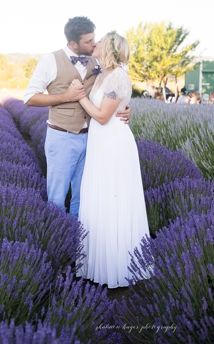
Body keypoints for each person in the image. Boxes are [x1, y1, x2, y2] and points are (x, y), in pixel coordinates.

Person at [22, 17, 130, 218]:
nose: (94, 44)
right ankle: (57, 235)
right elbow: (29, 98)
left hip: (93, 139)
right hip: (62, 137)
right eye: (89, 41)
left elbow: (112, 88)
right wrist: (66, 96)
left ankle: (78, 235)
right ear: (73, 43)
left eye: (94, 39)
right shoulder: (50, 60)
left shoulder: (97, 61)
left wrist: (123, 109)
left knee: (84, 196)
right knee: (57, 196)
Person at [74, 32, 149, 289]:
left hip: (113, 145)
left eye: (100, 41)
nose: (95, 44)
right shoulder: (102, 74)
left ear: (107, 48)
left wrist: (80, 96)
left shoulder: (117, 76)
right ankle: (98, 264)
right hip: (100, 144)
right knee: (100, 198)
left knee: (112, 199)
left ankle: (117, 267)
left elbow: (103, 116)